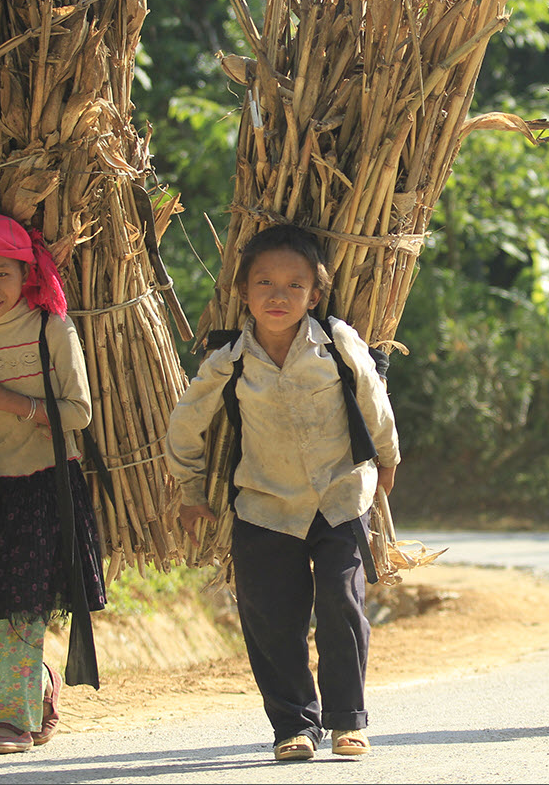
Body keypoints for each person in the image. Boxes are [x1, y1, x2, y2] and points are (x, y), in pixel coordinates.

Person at [165, 224, 400, 762]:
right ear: (243, 292)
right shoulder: (230, 359)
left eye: (294, 285)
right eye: (264, 283)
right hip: (265, 504)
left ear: (314, 295)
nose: (278, 295)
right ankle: (293, 724)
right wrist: (189, 487)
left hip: (340, 497)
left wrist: (387, 459)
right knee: (270, 615)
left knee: (341, 603)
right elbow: (186, 421)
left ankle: (346, 721)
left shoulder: (336, 342)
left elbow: (374, 399)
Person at [0, 208, 107, 754]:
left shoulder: (51, 328)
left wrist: (15, 403)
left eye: (2, 274)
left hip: (48, 485)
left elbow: (79, 412)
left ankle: (11, 721)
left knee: (25, 606)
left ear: (25, 273)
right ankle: (42, 688)